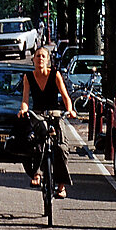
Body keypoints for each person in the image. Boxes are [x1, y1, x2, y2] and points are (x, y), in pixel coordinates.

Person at [19, 45, 76, 199]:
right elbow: (25, 100)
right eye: (37, 56)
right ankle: (36, 174)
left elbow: (65, 96)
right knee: (34, 143)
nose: (40, 59)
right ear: (33, 60)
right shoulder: (28, 77)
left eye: (43, 56)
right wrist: (23, 110)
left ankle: (61, 186)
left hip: (55, 114)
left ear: (48, 60)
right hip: (37, 114)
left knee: (62, 147)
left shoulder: (55, 74)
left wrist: (69, 109)